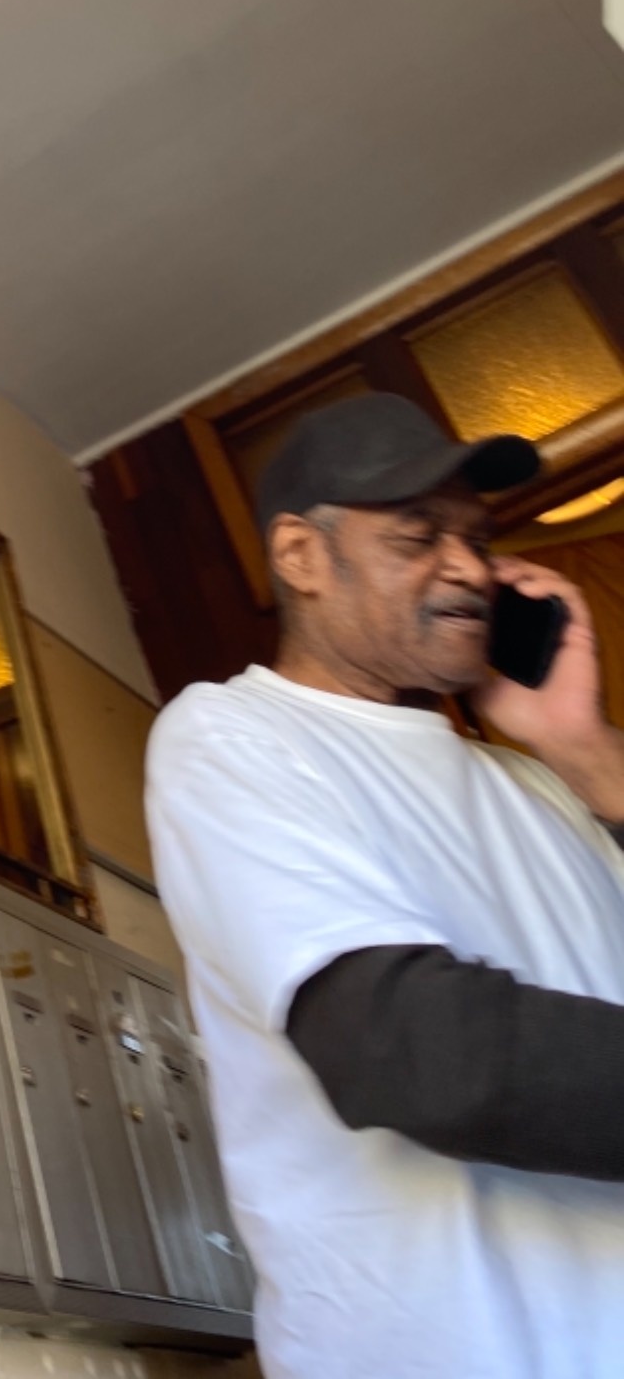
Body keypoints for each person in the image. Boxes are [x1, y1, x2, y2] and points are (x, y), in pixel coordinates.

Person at [145, 391, 624, 1379]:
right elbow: (421, 1055)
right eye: (418, 535)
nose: (470, 568)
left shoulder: (538, 781)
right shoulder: (231, 735)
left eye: (477, 540)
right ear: (301, 555)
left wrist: (580, 744)